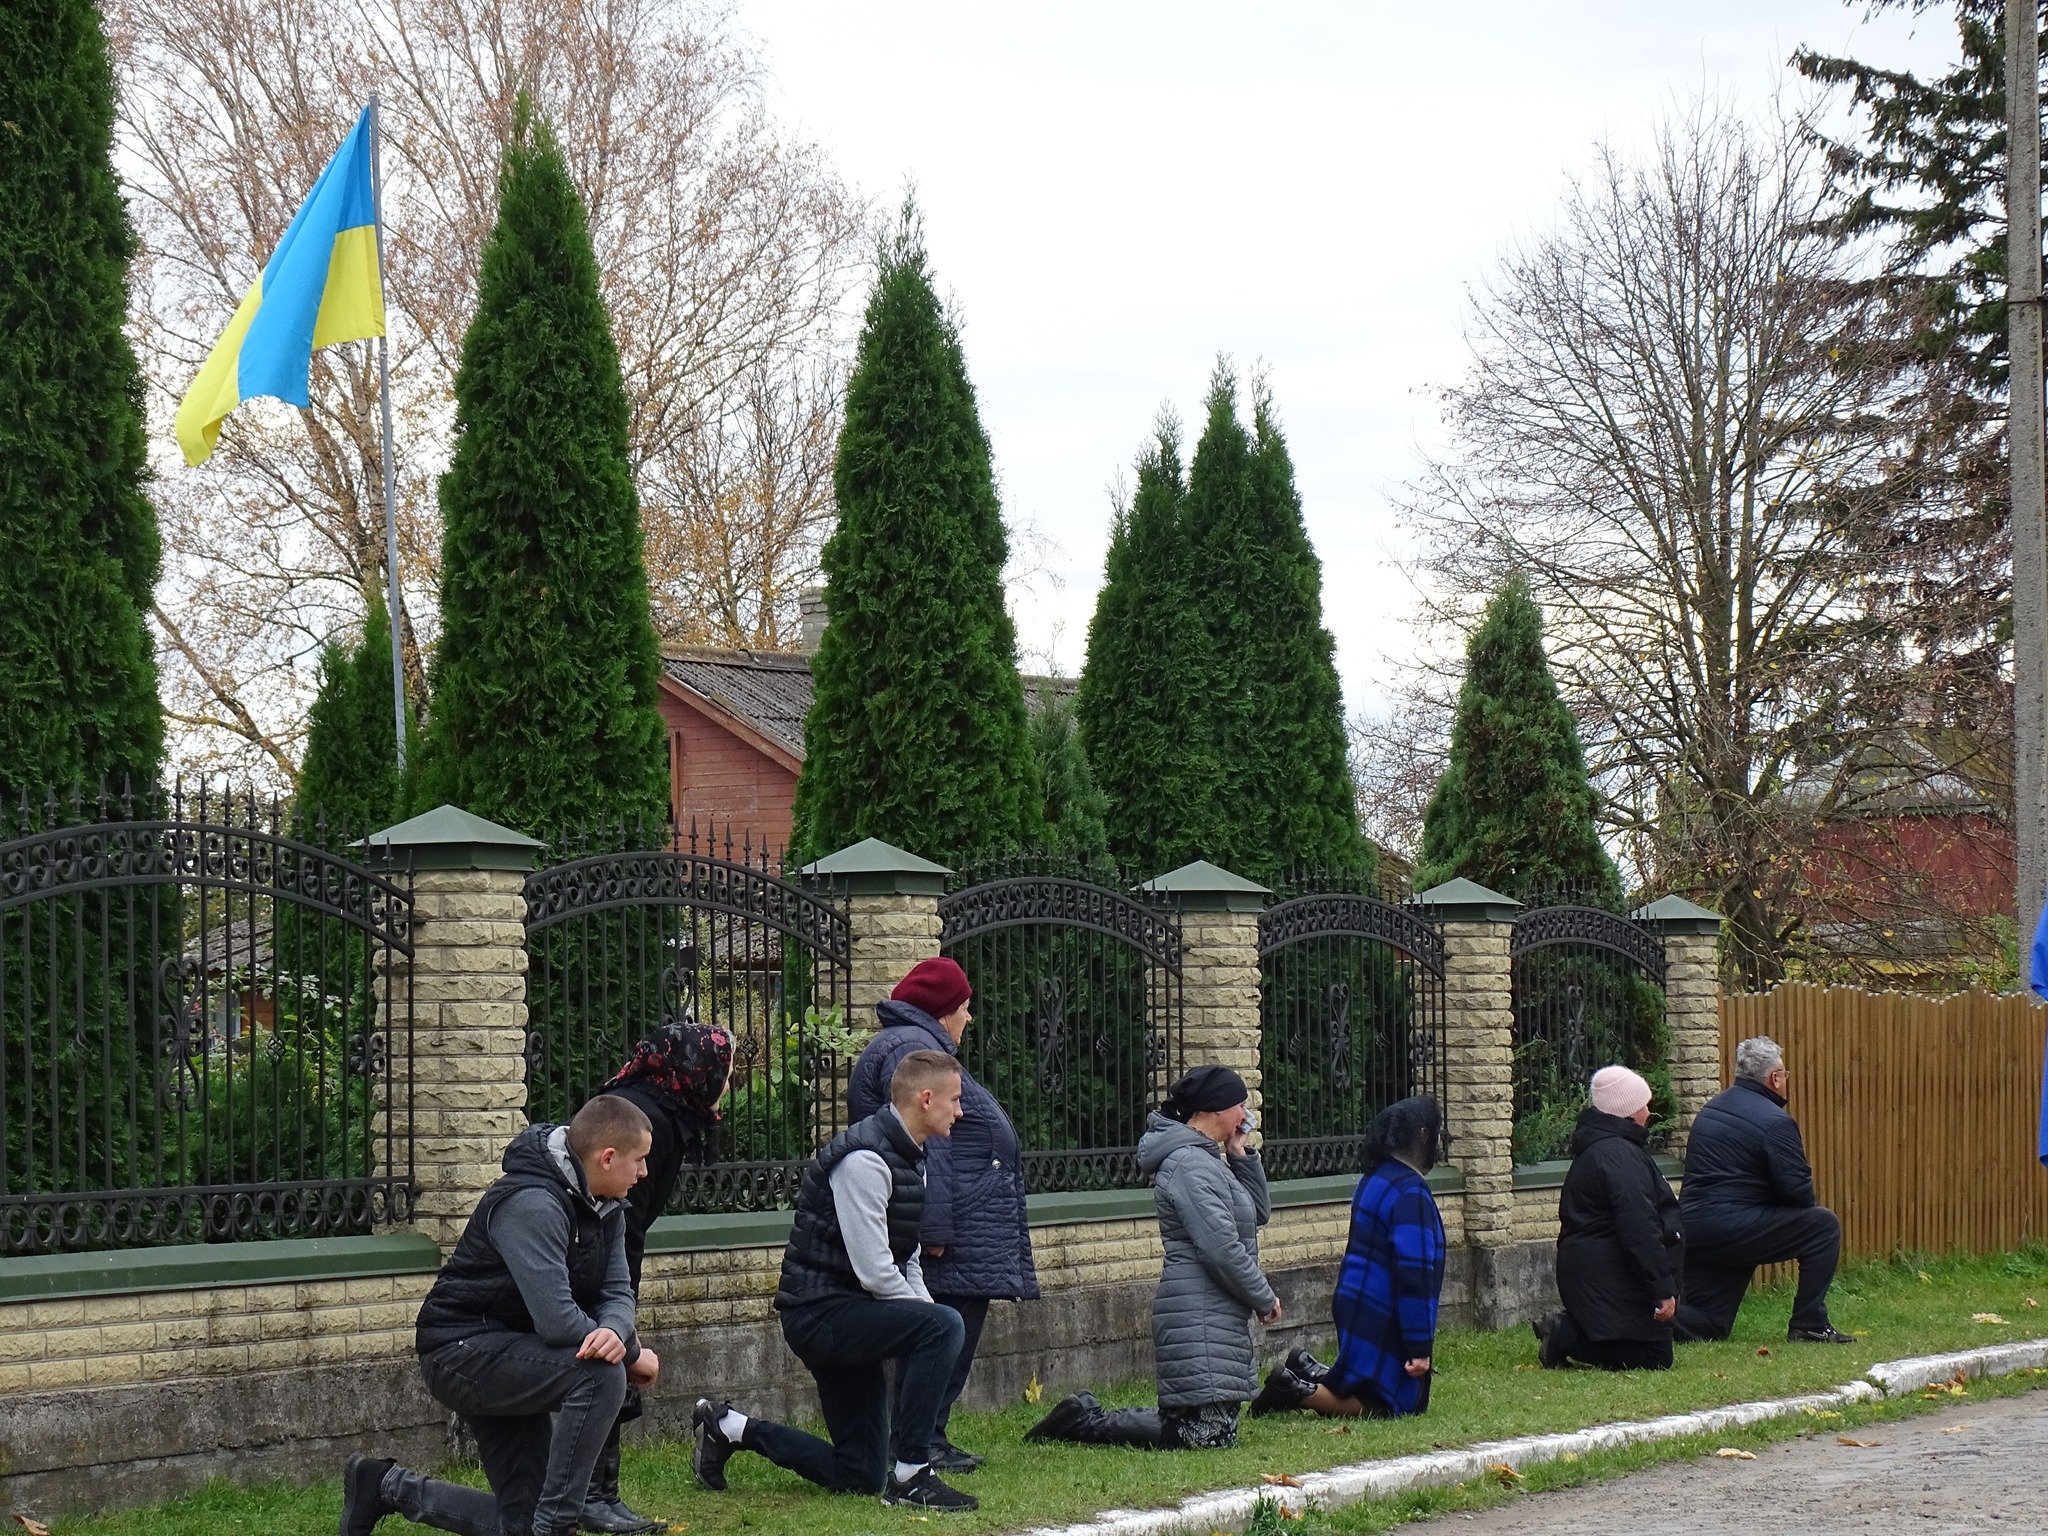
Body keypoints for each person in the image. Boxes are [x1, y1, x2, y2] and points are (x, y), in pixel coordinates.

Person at [339, 1096, 662, 1536]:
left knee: (521, 1524)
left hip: (519, 1350)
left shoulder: (606, 1205)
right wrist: (630, 1353)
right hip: (460, 1351)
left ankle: (385, 1485)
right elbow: (557, 1320)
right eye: (639, 1160)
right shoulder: (532, 1204)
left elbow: (618, 1291)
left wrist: (617, 1331)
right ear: (607, 1158)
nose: (644, 1172)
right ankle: (557, 1527)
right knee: (599, 1375)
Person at [689, 1050, 978, 1512]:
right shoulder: (865, 1160)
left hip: (853, 1311)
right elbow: (876, 1271)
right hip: (818, 1314)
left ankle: (728, 1427)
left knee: (859, 1474)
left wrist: (926, 1317)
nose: (960, 1111)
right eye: (955, 1100)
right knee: (944, 1325)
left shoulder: (910, 1157)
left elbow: (907, 1257)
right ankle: (911, 1476)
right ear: (926, 1099)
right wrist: (932, 1325)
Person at [845, 955, 1037, 1474]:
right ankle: (919, 1439)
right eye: (963, 1007)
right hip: (950, 1228)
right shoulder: (912, 1047)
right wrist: (932, 1227)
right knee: (943, 1327)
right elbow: (932, 1147)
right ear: (941, 1009)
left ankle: (928, 1434)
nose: (968, 1017)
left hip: (959, 1221)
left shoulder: (913, 1043)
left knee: (950, 1326)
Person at [1024, 1065, 1277, 1450]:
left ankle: (1086, 1417)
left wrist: (1239, 1154)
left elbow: (1257, 1212)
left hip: (1213, 1307)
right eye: (1239, 1106)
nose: (1245, 1115)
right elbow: (1220, 1249)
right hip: (1197, 1310)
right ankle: (1084, 1421)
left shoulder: (1209, 1160)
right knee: (1203, 1435)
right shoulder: (1188, 1164)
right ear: (1215, 1109)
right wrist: (1263, 1297)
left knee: (1214, 1431)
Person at [576, 1018, 735, 1533]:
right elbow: (618, 1218)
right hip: (593, 1264)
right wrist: (621, 1302)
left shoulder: (663, 1111)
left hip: (601, 1260)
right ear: (699, 1070)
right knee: (606, 1364)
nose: (728, 1081)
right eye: (725, 1069)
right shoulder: (652, 1121)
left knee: (609, 1368)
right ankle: (592, 1497)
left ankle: (602, 1493)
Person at [1249, 1095, 1445, 1418]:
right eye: (1437, 1134)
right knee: (1391, 1404)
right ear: (1423, 1136)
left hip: (1356, 1301)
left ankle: (1307, 1368)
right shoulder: (1412, 1192)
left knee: (1365, 1382)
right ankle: (1293, 1389)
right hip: (1385, 1310)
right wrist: (1419, 1346)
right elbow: (1415, 1274)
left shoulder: (1375, 1178)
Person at [1676, 1035, 1853, 1344]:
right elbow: (1800, 1194)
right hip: (1737, 1229)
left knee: (1710, 1323)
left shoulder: (1710, 1110)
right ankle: (1810, 1324)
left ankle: (1635, 1318)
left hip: (1695, 1230)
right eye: (1785, 1073)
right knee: (1823, 1226)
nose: (1785, 1079)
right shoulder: (1776, 1122)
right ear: (1775, 1078)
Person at [1532, 1066, 1682, 1371]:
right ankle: (1564, 1334)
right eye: (1643, 1105)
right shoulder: (1619, 1155)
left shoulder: (1606, 1149)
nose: (1648, 1112)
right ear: (1627, 1111)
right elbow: (1639, 1227)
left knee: (1654, 1345)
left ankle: (1569, 1330)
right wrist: (1661, 1289)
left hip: (1597, 1270)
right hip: (1609, 1272)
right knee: (1655, 1356)